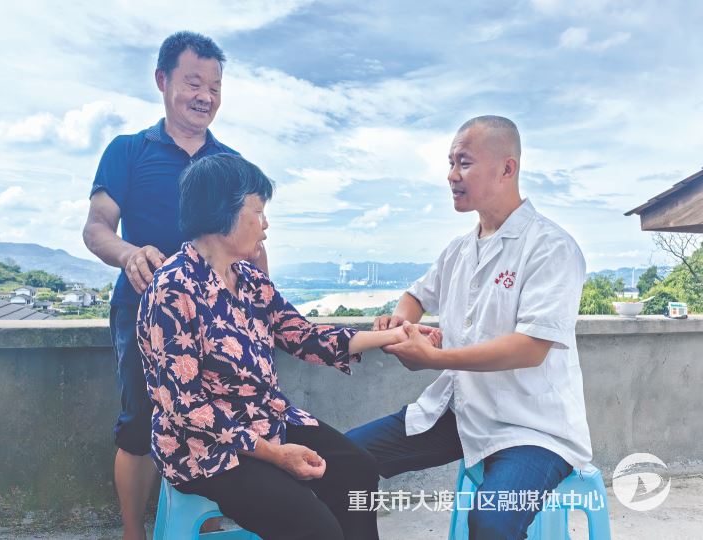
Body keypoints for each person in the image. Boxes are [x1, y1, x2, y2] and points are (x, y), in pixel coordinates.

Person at [136, 153, 441, 540]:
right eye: (258, 211)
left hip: (265, 420)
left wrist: (394, 336)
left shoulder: (249, 280)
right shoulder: (172, 290)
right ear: (222, 212)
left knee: (358, 470)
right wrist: (275, 455)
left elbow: (303, 335)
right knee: (315, 527)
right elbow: (186, 408)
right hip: (203, 449)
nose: (265, 225)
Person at [347, 115, 593, 540]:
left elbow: (530, 347)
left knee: (492, 520)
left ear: (506, 168)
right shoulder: (459, 250)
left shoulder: (551, 247)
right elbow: (415, 297)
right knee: (344, 460)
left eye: (463, 162)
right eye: (450, 163)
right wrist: (400, 324)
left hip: (532, 427)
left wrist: (435, 358)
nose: (451, 175)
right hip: (462, 411)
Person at [81, 32, 257, 539]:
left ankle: (208, 525)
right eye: (194, 82)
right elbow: (96, 227)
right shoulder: (128, 151)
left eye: (215, 87)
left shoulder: (232, 164)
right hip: (142, 310)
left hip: (216, 319)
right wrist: (129, 254)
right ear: (162, 80)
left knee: (216, 419)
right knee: (139, 425)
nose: (206, 96)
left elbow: (249, 241)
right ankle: (134, 533)